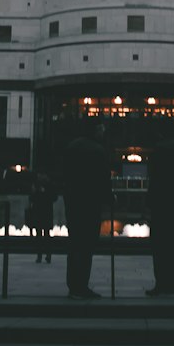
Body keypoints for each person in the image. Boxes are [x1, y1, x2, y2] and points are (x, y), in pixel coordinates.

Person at [62, 124, 110, 299]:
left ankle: (73, 284)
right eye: (101, 129)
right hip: (90, 203)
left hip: (73, 202)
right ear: (95, 131)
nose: (103, 133)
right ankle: (81, 284)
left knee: (74, 243)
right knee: (87, 245)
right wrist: (108, 197)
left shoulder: (72, 147)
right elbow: (103, 178)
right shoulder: (98, 150)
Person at [146, 137, 174, 297]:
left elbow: (154, 179)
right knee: (171, 245)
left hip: (160, 204)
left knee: (159, 246)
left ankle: (160, 283)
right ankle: (170, 284)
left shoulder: (159, 150)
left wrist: (149, 203)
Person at [26, 170, 55, 263]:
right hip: (43, 212)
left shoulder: (47, 184)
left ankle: (44, 255)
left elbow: (54, 197)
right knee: (43, 234)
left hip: (42, 211)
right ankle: (43, 255)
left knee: (44, 234)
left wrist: (42, 193)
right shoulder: (44, 184)